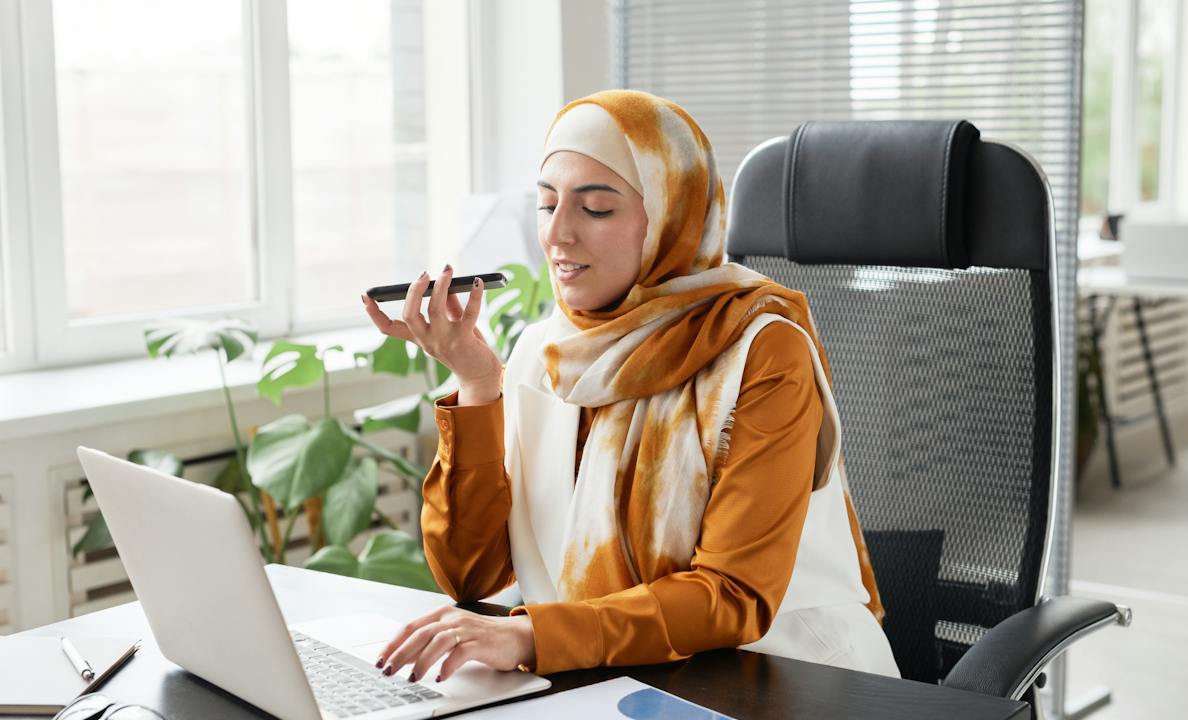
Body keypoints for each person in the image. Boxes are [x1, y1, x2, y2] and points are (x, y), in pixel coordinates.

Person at [360, 89, 899, 683]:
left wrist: (532, 633)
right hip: (602, 676)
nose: (558, 235)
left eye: (595, 209)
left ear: (672, 214)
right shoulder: (542, 352)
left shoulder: (760, 351)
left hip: (779, 676)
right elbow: (471, 575)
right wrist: (477, 384)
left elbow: (733, 595)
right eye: (546, 205)